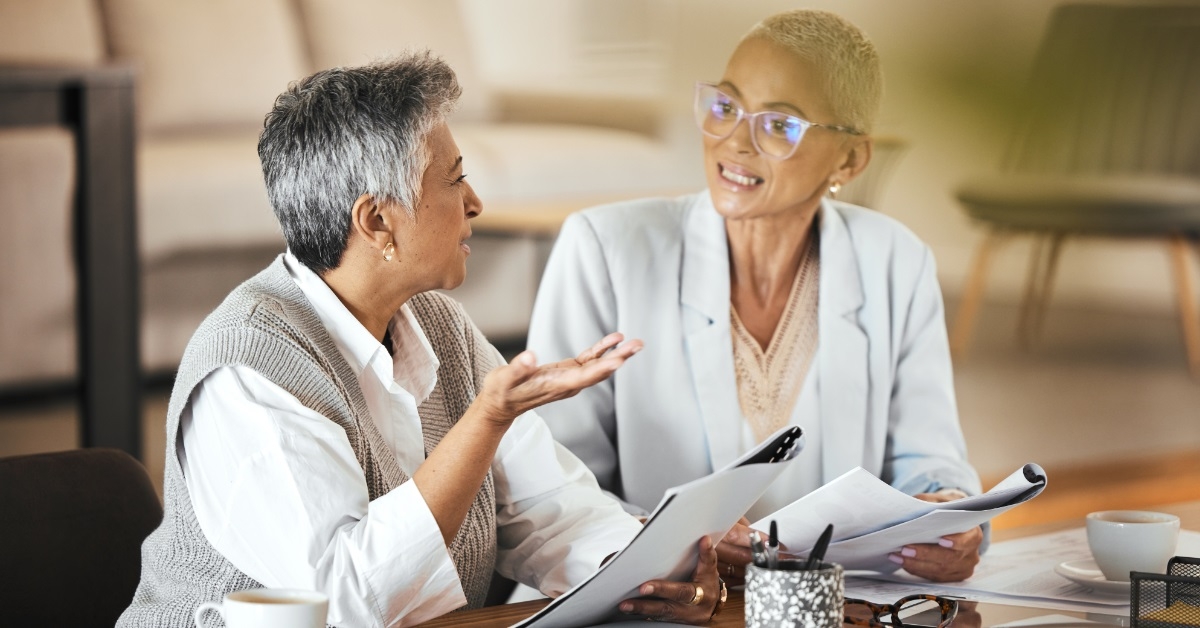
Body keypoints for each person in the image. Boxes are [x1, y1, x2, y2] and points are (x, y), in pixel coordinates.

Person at [118, 53, 723, 627]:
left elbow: (548, 512)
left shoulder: (440, 326)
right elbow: (345, 605)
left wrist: (659, 568)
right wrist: (485, 421)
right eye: (455, 181)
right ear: (377, 220)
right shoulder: (247, 369)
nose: (476, 203)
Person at [527, 9, 984, 584]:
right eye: (724, 107)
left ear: (850, 159)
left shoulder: (897, 259)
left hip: (822, 606)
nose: (735, 142)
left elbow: (929, 458)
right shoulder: (603, 248)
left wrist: (949, 513)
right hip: (649, 604)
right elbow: (552, 482)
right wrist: (665, 538)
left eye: (778, 125)